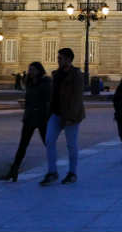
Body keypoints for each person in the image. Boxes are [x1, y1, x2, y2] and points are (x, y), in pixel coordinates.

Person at [40, 48, 85, 186]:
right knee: (49, 141)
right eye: (58, 58)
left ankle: (72, 173)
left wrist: (71, 117)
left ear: (68, 60)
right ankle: (52, 172)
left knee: (71, 145)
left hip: (70, 116)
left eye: (60, 58)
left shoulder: (76, 75)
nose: (58, 60)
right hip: (56, 113)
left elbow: (77, 98)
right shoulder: (56, 74)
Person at [2, 62, 51, 182]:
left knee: (48, 145)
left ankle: (52, 170)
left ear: (39, 71)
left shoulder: (45, 83)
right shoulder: (29, 83)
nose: (31, 72)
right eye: (30, 69)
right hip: (29, 118)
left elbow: (48, 101)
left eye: (33, 69)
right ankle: (14, 170)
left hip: (41, 119)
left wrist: (47, 116)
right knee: (22, 145)